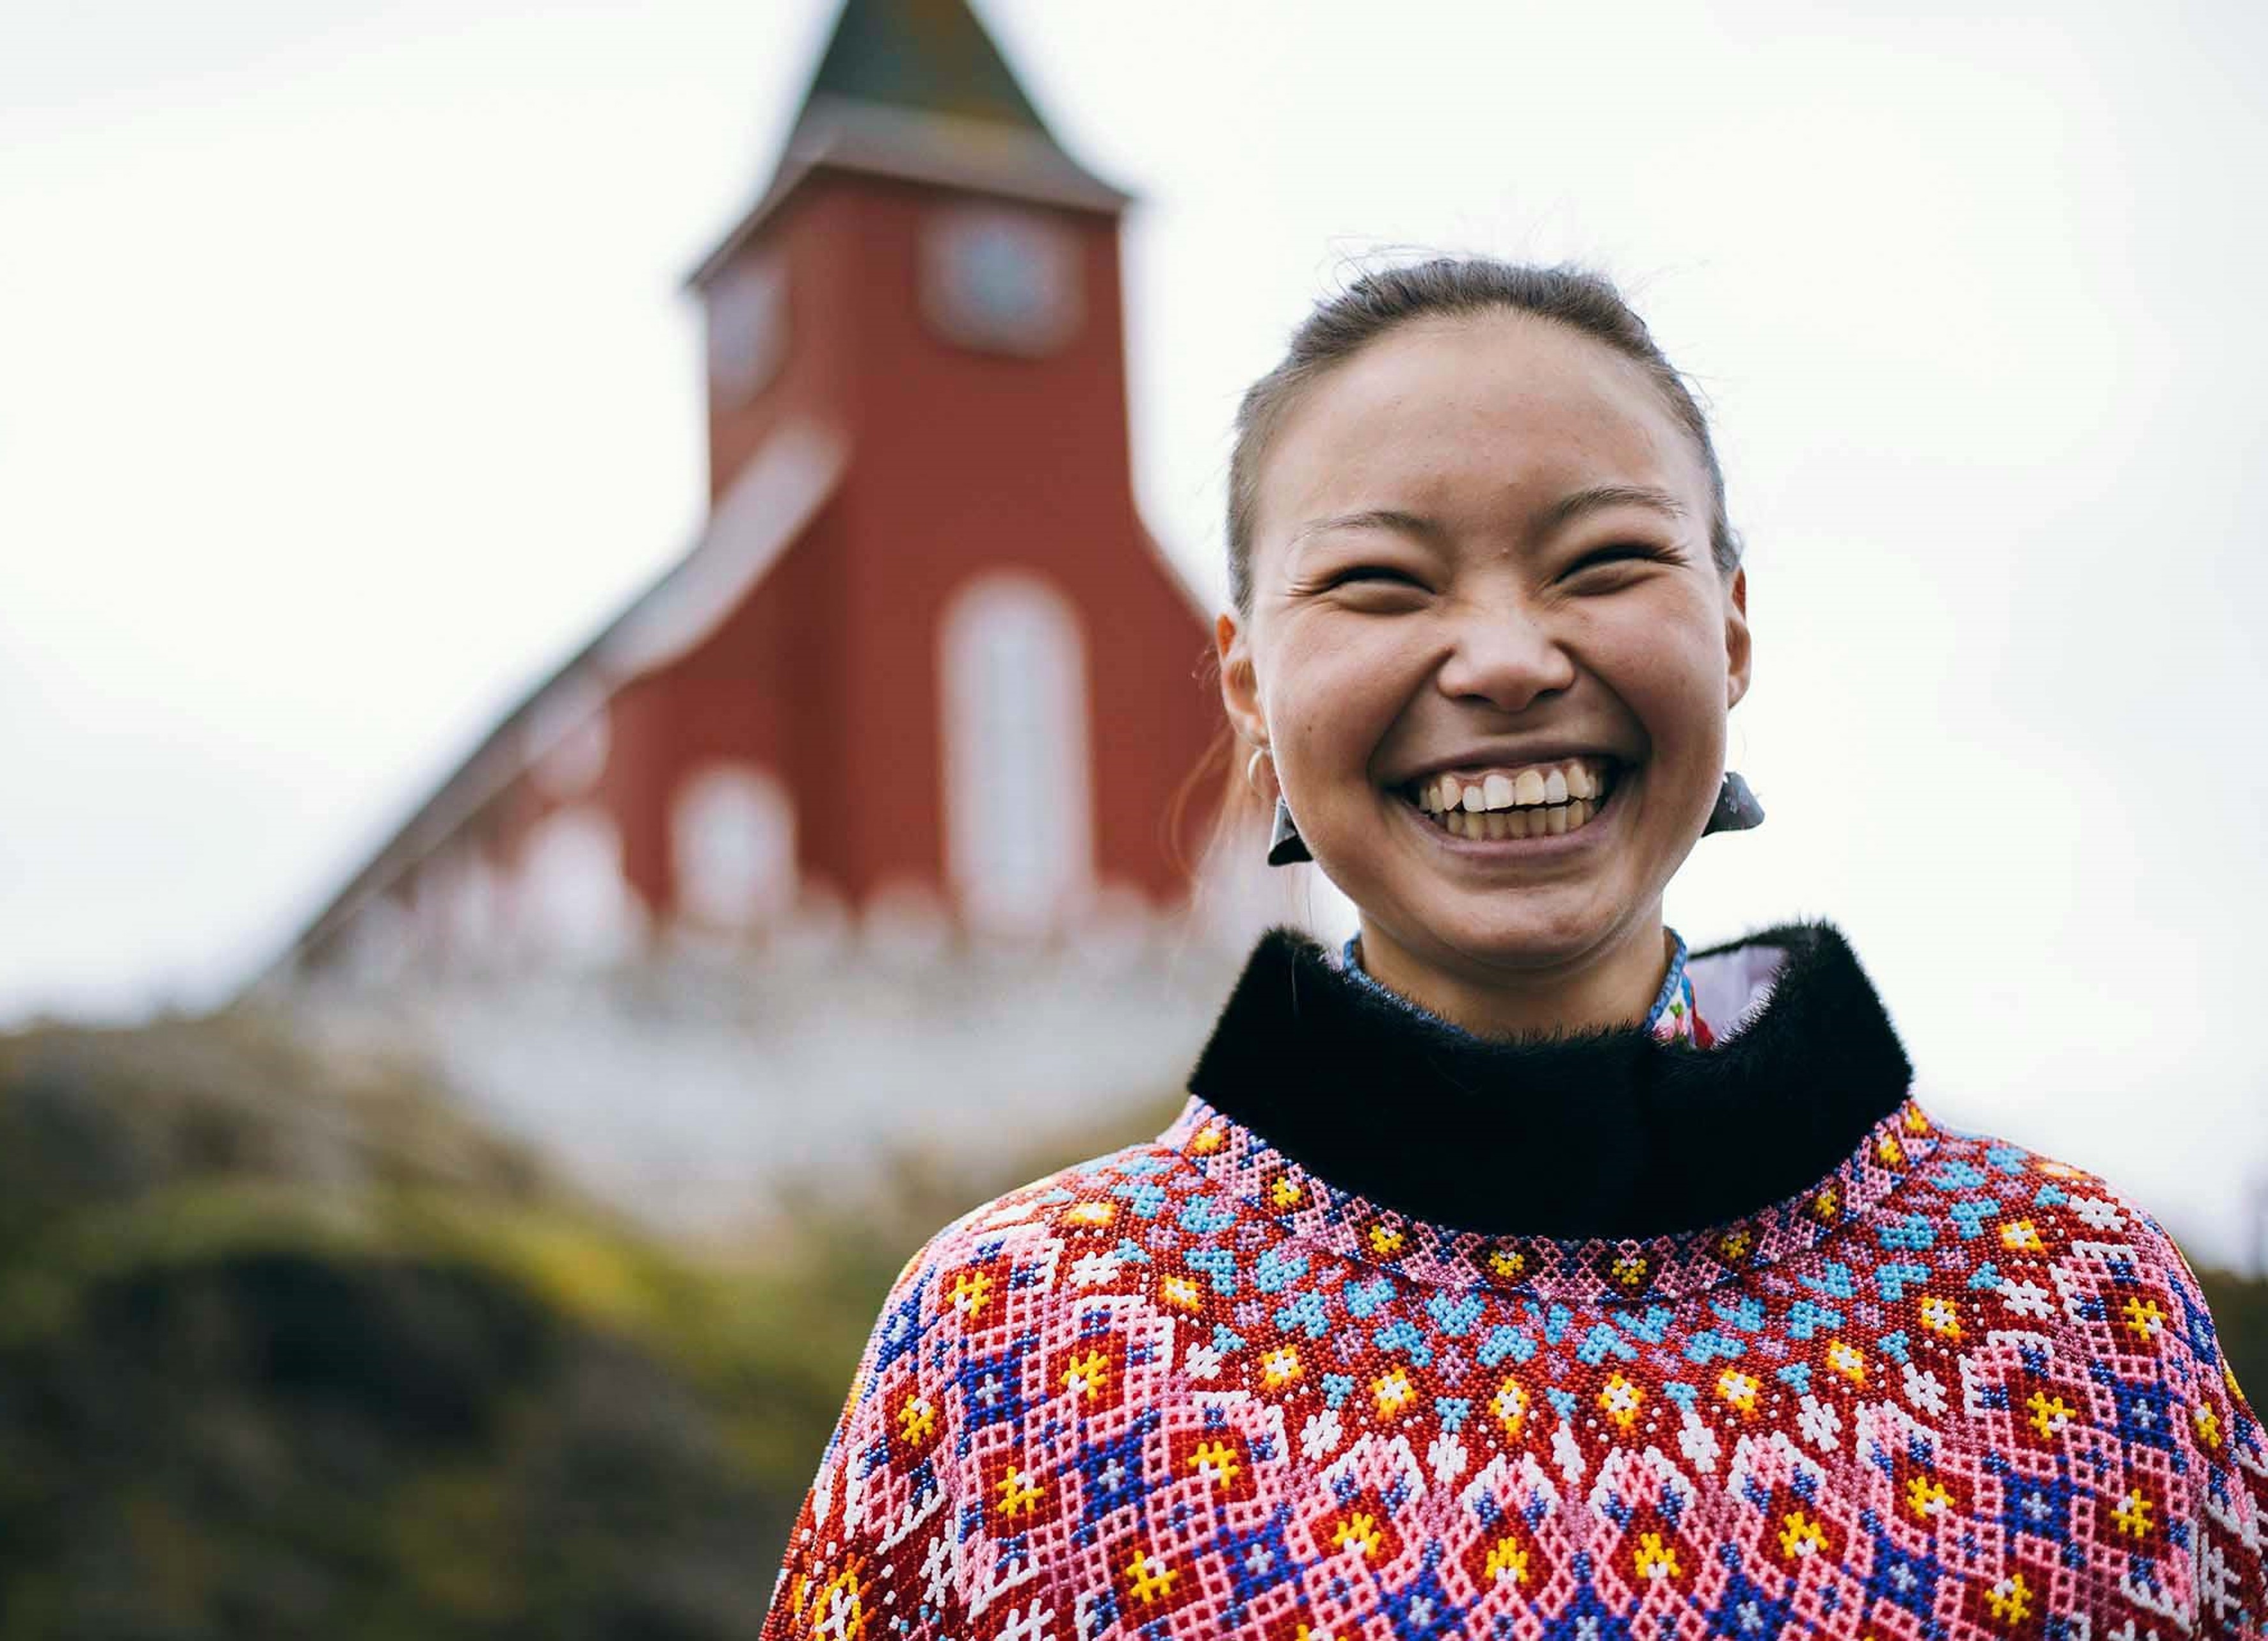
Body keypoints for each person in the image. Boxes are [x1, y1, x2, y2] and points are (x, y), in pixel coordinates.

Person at [757, 259, 2265, 1639]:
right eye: (1380, 582)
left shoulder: (2070, 1305)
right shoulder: (1016, 1340)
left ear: (1733, 631)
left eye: (1603, 561)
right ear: (1247, 682)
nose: (1503, 660)